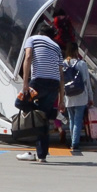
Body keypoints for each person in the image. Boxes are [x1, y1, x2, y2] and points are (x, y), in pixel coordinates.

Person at [16, 23, 62, 162]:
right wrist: (62, 99)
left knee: (19, 102)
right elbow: (61, 73)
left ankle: (51, 114)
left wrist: (25, 83)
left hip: (39, 82)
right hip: (54, 84)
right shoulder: (56, 46)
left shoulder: (32, 39)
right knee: (43, 120)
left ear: (39, 32)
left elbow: (28, 57)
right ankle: (42, 156)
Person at [60, 38, 90, 156]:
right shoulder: (81, 64)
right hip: (81, 96)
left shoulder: (63, 64)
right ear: (77, 51)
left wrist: (61, 98)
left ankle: (73, 140)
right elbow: (86, 82)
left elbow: (61, 82)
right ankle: (75, 143)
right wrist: (90, 97)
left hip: (68, 96)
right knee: (78, 120)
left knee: (72, 120)